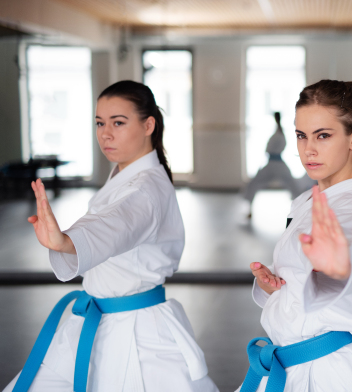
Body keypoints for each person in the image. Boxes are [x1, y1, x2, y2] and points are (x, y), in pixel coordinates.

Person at [4, 81, 218, 392]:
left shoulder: (145, 190)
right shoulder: (127, 174)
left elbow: (118, 225)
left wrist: (66, 242)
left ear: (148, 125)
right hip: (95, 320)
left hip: (136, 333)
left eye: (118, 122)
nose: (106, 133)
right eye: (100, 123)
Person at [237, 80, 352, 392]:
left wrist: (337, 269)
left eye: (323, 135)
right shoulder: (310, 200)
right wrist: (277, 287)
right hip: (292, 363)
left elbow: (346, 254)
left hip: (326, 372)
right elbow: (305, 281)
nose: (308, 149)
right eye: (301, 135)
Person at [243, 112, 302, 218]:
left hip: (274, 163)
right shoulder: (279, 133)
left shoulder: (278, 134)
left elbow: (269, 149)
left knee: (255, 183)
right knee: (291, 184)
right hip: (275, 163)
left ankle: (301, 208)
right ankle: (249, 210)